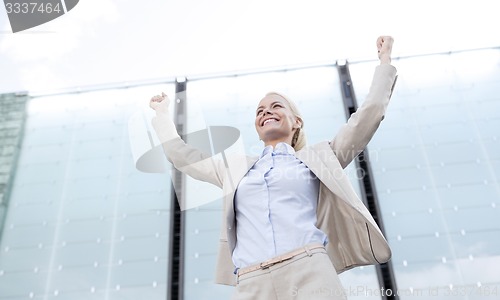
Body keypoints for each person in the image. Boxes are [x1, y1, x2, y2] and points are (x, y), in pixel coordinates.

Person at [149, 36, 397, 299]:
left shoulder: (321, 157)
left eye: (276, 106)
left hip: (310, 271)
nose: (266, 112)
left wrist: (385, 61)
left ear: (296, 122)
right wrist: (162, 115)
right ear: (258, 128)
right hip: (252, 281)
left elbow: (367, 116)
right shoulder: (234, 169)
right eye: (260, 111)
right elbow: (183, 156)